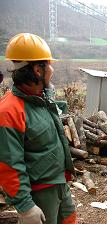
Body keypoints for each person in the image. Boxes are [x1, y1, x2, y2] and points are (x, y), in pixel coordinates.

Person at [0, 33, 77, 224]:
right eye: (48, 65)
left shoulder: (41, 100)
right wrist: (25, 207)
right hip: (40, 194)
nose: (52, 70)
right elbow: (9, 165)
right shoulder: (8, 111)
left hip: (60, 184)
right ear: (37, 70)